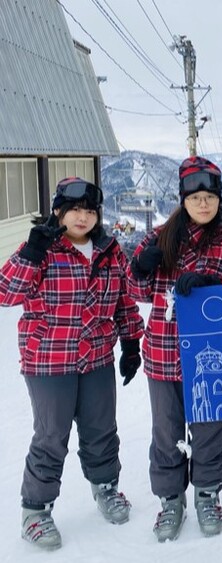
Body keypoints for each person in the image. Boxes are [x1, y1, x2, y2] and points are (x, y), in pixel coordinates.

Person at [1, 178, 144, 551]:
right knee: (51, 436)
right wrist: (30, 254)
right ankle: (35, 511)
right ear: (59, 212)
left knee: (101, 430)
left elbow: (125, 301)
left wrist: (131, 342)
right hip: (49, 360)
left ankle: (106, 488)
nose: (83, 217)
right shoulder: (43, 249)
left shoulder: (110, 252)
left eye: (90, 210)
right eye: (74, 209)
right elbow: (6, 293)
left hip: (96, 357)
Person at [127, 156, 222, 541]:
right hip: (164, 354)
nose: (203, 204)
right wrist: (141, 269)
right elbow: (134, 293)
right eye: (195, 196)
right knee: (165, 432)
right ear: (183, 199)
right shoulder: (161, 237)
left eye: (209, 196)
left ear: (218, 199)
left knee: (211, 430)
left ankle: (207, 494)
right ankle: (170, 500)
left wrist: (213, 284)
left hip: (214, 357)